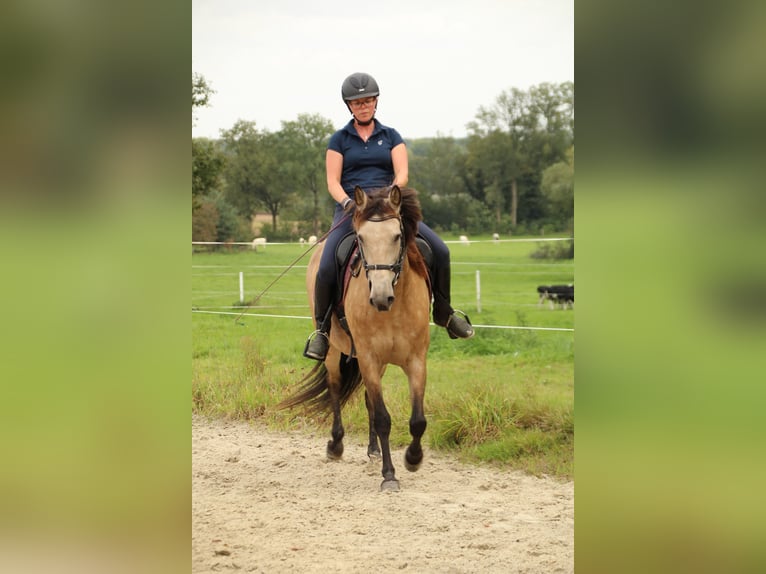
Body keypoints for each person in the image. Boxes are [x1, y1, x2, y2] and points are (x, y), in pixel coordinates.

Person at [304, 72, 474, 361]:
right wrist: (347, 202)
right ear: (349, 106)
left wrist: (391, 199)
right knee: (327, 265)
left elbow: (402, 173)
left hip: (389, 209)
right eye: (357, 103)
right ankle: (322, 332)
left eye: (368, 100)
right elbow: (333, 180)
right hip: (352, 210)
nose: (364, 106)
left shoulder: (391, 136)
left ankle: (445, 313)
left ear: (376, 102)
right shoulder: (339, 139)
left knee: (441, 251)